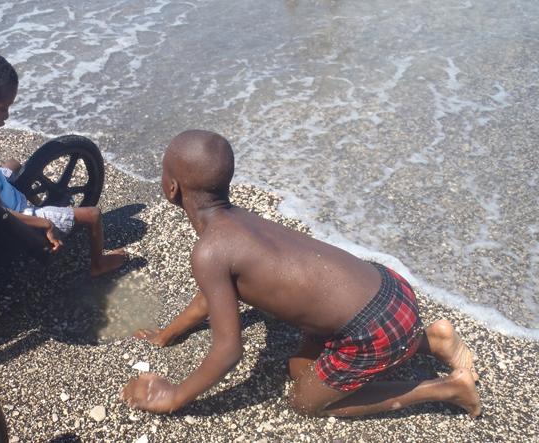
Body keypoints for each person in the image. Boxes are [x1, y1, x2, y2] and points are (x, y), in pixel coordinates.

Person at [122, 130, 481, 417]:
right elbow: (212, 297)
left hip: (375, 330)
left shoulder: (210, 250)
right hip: (388, 287)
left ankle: (446, 388)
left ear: (172, 188)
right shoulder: (238, 219)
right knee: (299, 368)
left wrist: (175, 396)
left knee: (304, 401)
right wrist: (170, 333)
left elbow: (229, 350)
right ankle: (432, 340)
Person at [0, 47, 127, 277]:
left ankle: (46, 207)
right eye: (3, 109)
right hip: (6, 217)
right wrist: (44, 225)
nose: (6, 117)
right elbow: (0, 214)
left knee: (13, 163)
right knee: (94, 215)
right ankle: (98, 264)